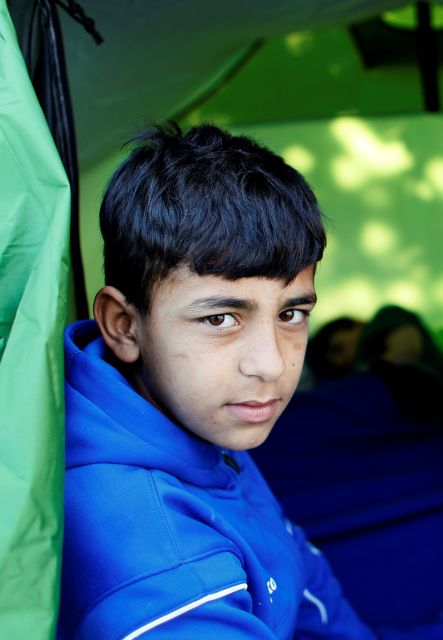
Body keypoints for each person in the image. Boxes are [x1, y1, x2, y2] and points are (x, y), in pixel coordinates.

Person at [60, 124, 376, 639]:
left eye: (292, 313)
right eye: (220, 319)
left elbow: (306, 578)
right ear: (123, 325)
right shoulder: (155, 554)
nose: (270, 365)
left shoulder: (199, 412)